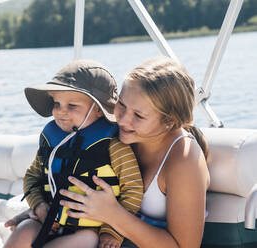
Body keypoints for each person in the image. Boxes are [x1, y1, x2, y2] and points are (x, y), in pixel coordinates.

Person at [58, 56, 210, 248]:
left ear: (169, 121)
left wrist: (113, 214)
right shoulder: (115, 137)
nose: (122, 120)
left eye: (138, 115)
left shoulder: (184, 161)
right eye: (121, 104)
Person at [4, 60, 143, 248]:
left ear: (98, 110)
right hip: (47, 219)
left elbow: (133, 190)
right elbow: (31, 176)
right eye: (56, 103)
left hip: (91, 228)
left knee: (87, 240)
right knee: (23, 230)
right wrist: (39, 206)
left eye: (72, 106)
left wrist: (112, 232)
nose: (61, 111)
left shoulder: (113, 146)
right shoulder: (50, 140)